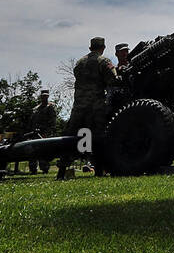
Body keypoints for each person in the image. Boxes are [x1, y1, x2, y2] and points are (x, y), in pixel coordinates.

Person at [57, 37, 118, 181]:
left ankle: (61, 171)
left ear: (90, 48)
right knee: (98, 137)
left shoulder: (79, 63)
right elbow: (113, 80)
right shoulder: (104, 62)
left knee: (70, 137)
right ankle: (98, 170)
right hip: (96, 107)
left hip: (78, 107)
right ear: (103, 47)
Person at [28, 90, 58, 174]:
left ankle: (44, 168)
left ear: (48, 96)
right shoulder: (36, 108)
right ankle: (33, 169)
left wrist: (48, 130)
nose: (44, 97)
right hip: (34, 132)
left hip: (44, 132)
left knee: (43, 151)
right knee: (33, 151)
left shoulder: (50, 106)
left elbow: (53, 120)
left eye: (46, 96)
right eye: (42, 96)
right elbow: (32, 120)